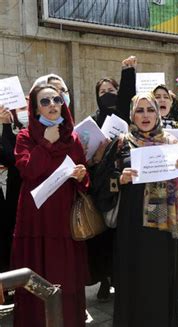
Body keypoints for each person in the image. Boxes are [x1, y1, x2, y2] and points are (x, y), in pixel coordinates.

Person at [11, 84, 89, 327]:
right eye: (45, 101)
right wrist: (46, 143)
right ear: (35, 109)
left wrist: (81, 175)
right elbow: (28, 171)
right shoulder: (25, 137)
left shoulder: (72, 136)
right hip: (36, 218)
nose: (52, 104)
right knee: (36, 271)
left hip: (64, 218)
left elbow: (84, 178)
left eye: (56, 99)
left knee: (65, 273)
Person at [106, 93, 178, 326]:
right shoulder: (122, 142)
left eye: (150, 109)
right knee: (135, 275)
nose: (145, 115)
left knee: (159, 276)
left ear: (157, 113)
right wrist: (119, 178)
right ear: (132, 114)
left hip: (162, 225)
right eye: (139, 110)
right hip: (132, 225)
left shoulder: (171, 142)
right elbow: (101, 180)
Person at [86, 55, 137, 302]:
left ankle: (121, 279)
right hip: (101, 187)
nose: (107, 94)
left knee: (122, 236)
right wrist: (95, 158)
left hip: (125, 184)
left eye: (111, 90)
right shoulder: (94, 120)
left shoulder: (125, 116)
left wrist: (128, 71)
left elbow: (129, 97)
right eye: (102, 91)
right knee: (103, 236)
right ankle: (105, 281)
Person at [0, 101, 28, 303]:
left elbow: (12, 157)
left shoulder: (28, 134)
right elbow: (8, 156)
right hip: (11, 197)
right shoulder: (11, 133)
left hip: (24, 198)